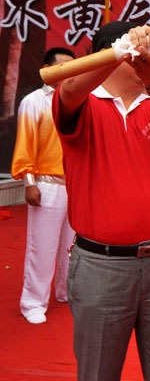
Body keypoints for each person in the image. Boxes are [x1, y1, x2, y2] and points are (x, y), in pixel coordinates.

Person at [53, 21, 150, 380]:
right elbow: (68, 91)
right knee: (99, 372)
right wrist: (120, 50)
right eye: (146, 54)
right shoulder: (82, 104)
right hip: (102, 267)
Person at [11, 47, 76, 324]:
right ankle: (33, 303)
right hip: (46, 184)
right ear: (46, 69)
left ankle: (66, 292)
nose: (67, 73)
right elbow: (25, 144)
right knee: (43, 247)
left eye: (72, 68)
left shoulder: (78, 101)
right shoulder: (34, 101)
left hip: (75, 185)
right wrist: (29, 182)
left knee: (73, 247)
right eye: (61, 68)